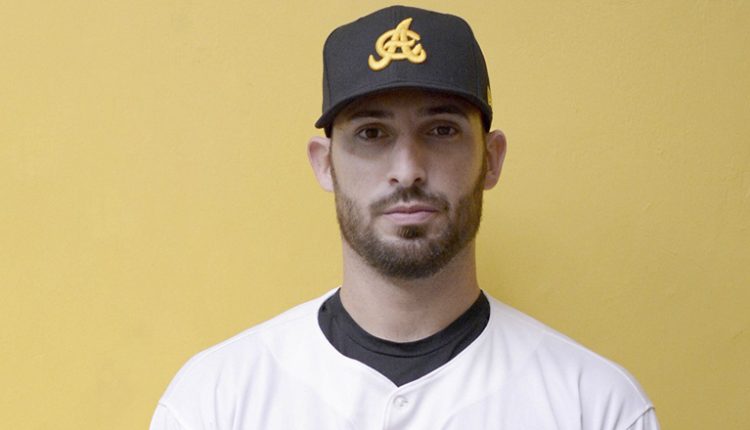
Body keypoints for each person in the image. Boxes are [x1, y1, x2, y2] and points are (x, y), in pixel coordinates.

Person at [150, 5, 659, 429]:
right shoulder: (214, 401)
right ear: (324, 163)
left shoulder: (595, 407)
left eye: (441, 130)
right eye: (372, 133)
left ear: (491, 158)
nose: (408, 169)